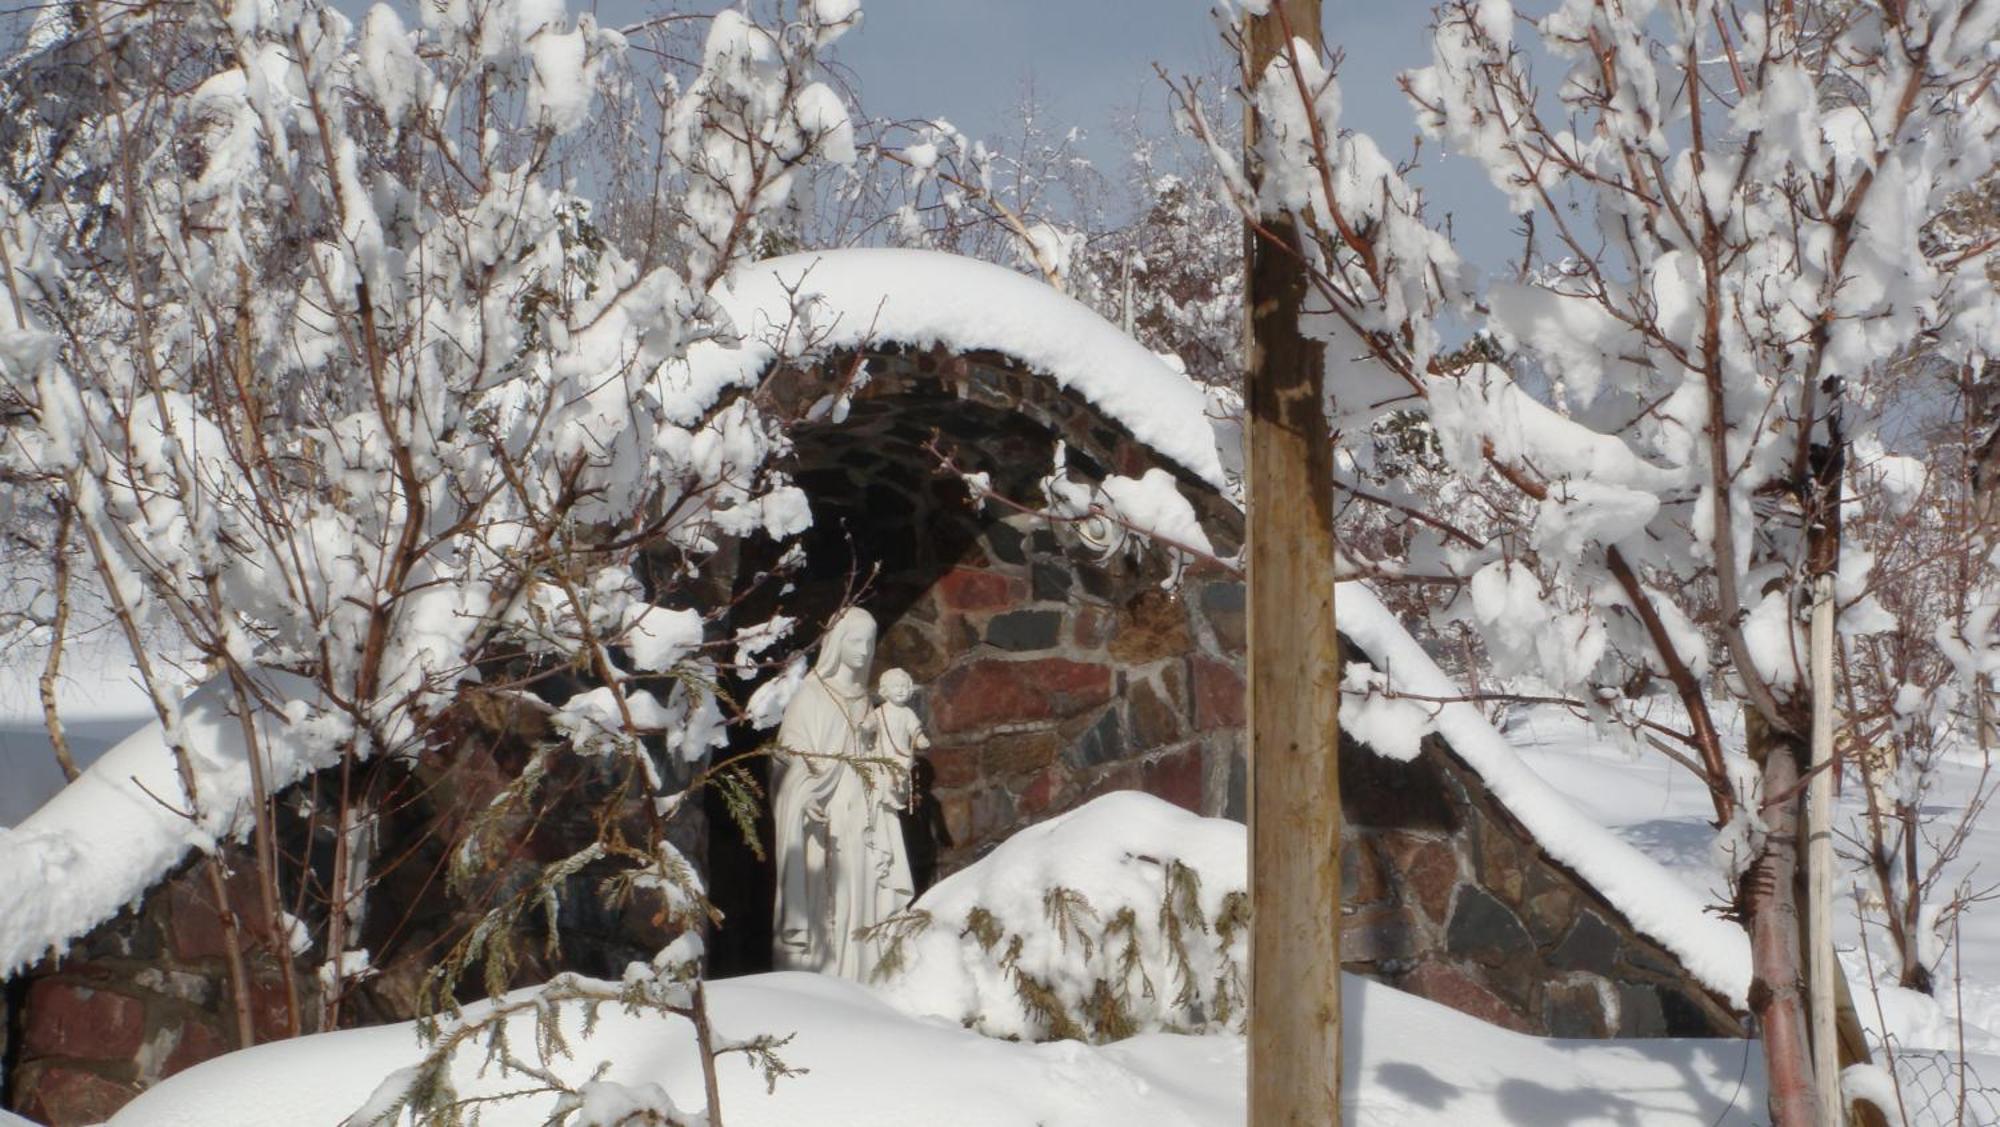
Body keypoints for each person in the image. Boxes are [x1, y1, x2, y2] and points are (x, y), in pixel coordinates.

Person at [769, 608, 912, 979]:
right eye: (855, 641)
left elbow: (880, 754)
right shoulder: (810, 698)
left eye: (869, 642)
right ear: (836, 644)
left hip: (864, 815)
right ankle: (830, 980)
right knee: (832, 897)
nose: (864, 651)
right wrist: (805, 794)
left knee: (865, 895)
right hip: (827, 817)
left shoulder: (866, 699)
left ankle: (864, 975)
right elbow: (789, 761)